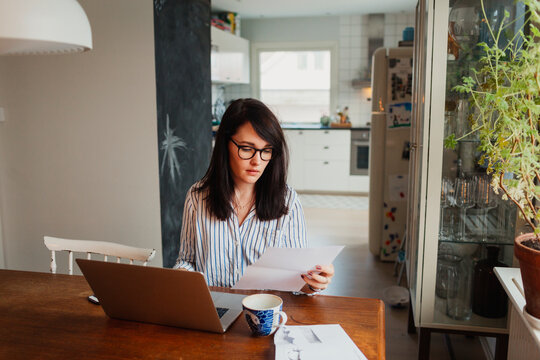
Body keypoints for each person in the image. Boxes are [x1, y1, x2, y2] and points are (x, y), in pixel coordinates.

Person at [173, 98, 334, 294]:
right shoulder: (198, 197)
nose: (257, 161)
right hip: (213, 310)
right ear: (225, 144)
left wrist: (312, 282)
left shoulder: (288, 202)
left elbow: (299, 281)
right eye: (247, 149)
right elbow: (187, 260)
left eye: (266, 150)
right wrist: (182, 273)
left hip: (265, 314)